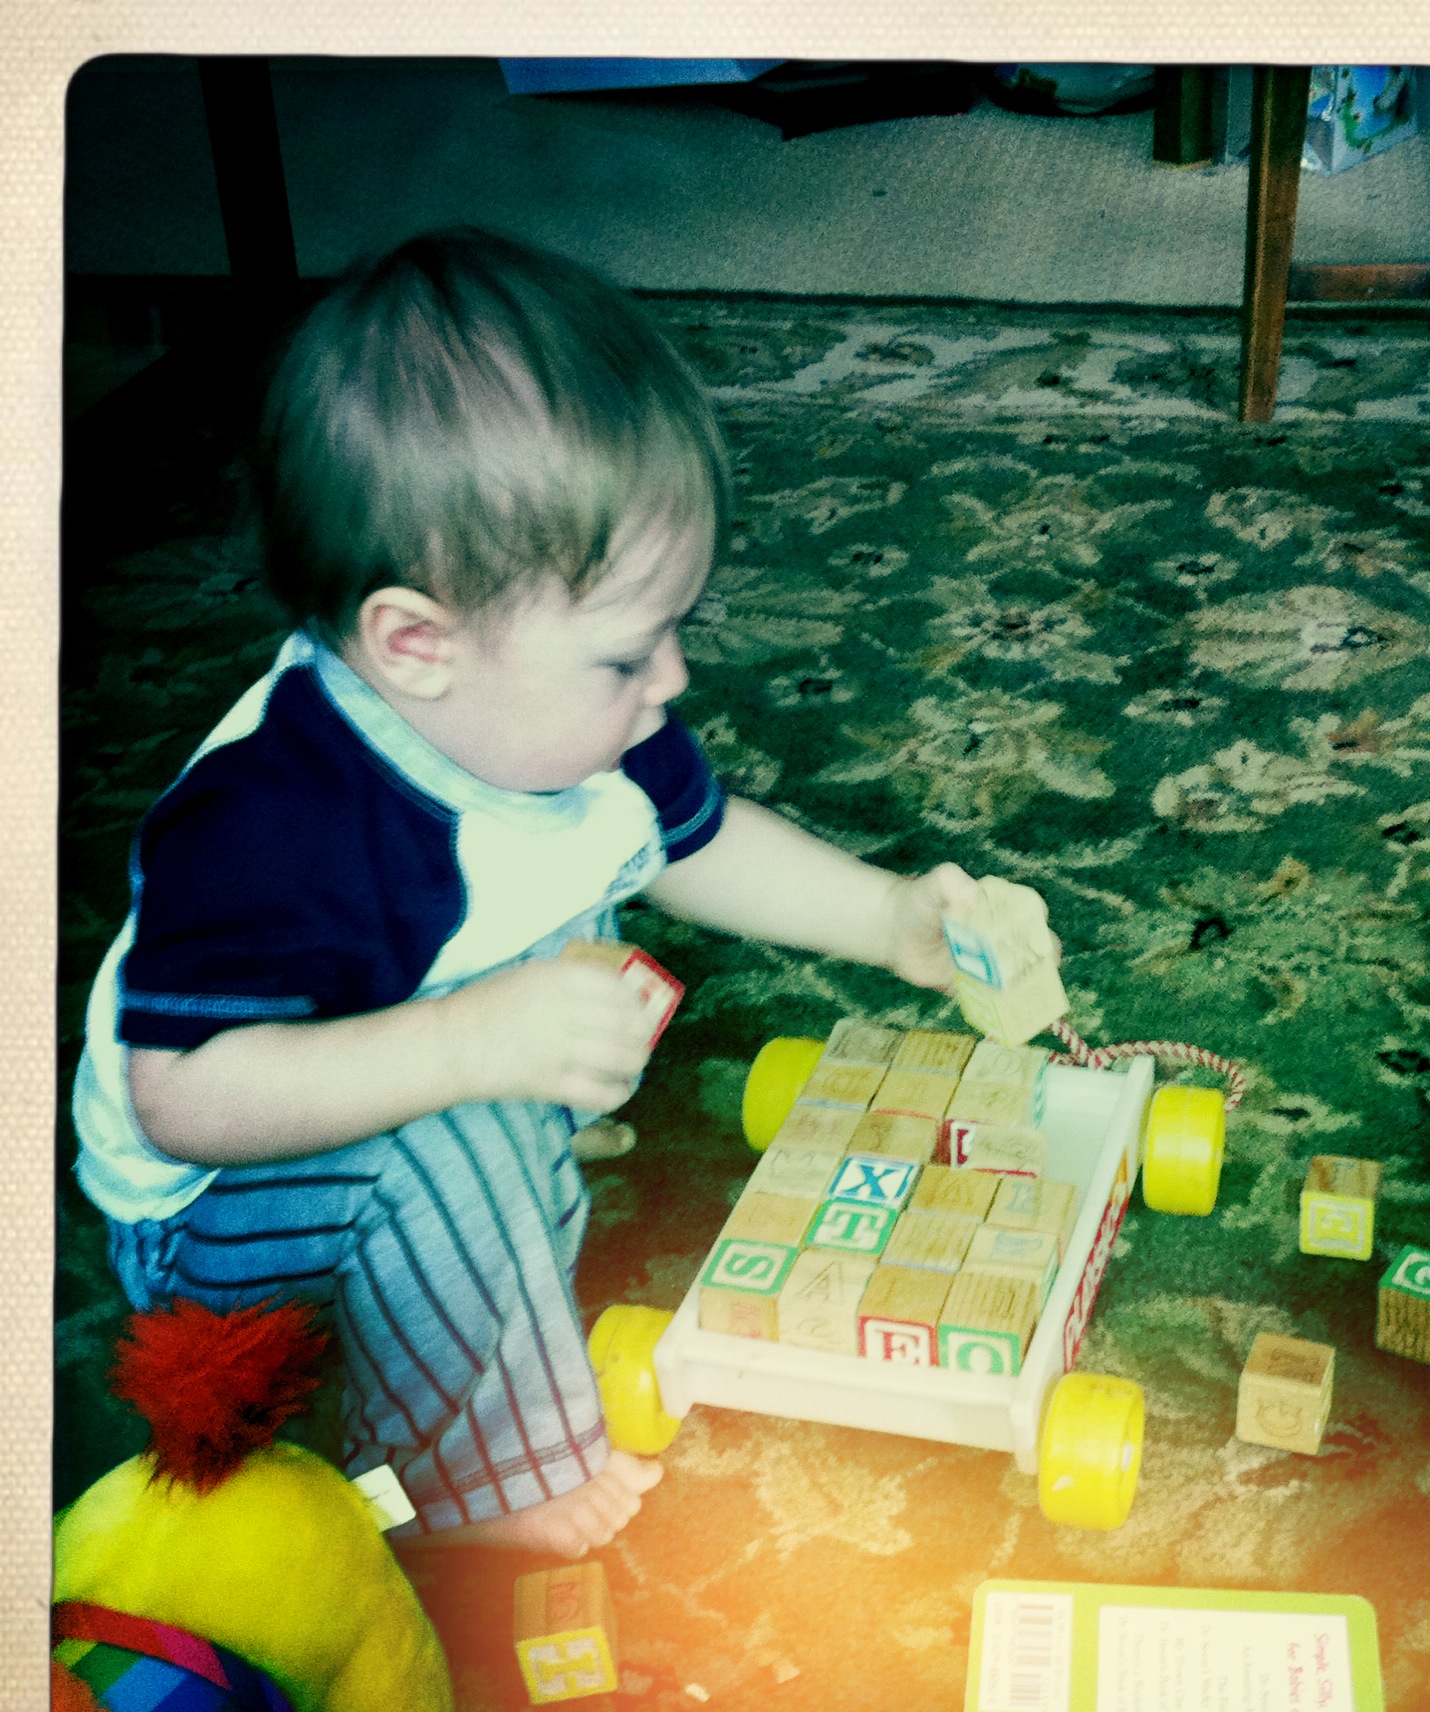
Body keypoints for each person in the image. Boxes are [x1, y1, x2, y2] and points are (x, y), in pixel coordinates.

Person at [71, 227, 979, 1560]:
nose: (671, 680)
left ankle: (491, 1163)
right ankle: (481, 1486)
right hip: (222, 1215)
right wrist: (468, 1048)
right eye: (626, 655)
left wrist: (890, 917)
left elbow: (696, 844)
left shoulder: (579, 723)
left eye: (673, 633)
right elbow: (184, 1096)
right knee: (454, 1131)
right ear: (415, 646)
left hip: (407, 1070)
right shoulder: (275, 826)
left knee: (502, 1061)